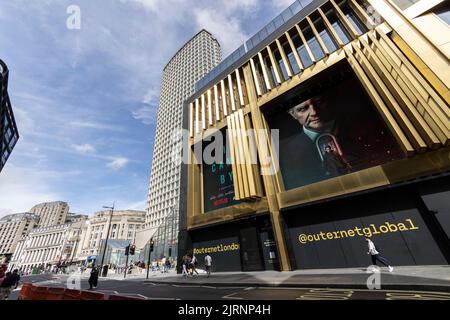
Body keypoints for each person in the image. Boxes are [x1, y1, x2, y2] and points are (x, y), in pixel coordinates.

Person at [280, 81, 404, 190]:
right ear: (293, 114)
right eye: (303, 109)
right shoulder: (288, 153)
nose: (314, 112)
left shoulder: (358, 126)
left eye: (319, 103)